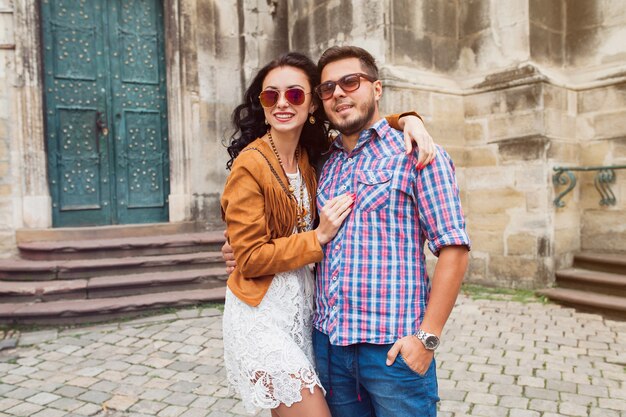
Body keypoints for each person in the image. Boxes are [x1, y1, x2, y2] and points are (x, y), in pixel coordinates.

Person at [220, 51, 437, 417]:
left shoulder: (314, 157)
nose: (283, 103)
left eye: (295, 94)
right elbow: (251, 258)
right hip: (261, 315)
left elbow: (363, 125)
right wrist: (317, 237)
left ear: (312, 105)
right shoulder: (250, 165)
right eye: (271, 95)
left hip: (306, 314)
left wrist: (408, 120)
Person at [311, 45, 470, 417]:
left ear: (377, 88)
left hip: (393, 351)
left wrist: (426, 339)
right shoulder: (322, 162)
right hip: (330, 347)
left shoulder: (416, 153)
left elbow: (454, 248)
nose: (339, 92)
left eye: (351, 81)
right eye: (328, 87)